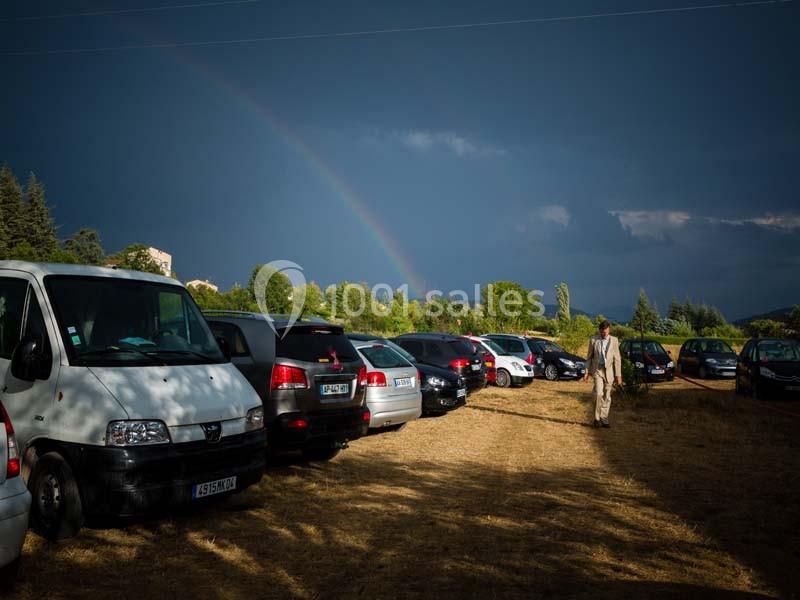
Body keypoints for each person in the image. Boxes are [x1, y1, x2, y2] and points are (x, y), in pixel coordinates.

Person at [583, 320, 622, 428]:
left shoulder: (614, 340)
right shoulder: (594, 340)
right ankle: (596, 419)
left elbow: (617, 359)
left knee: (607, 396)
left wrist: (618, 375)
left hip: (609, 371)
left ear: (609, 330)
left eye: (606, 331)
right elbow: (589, 357)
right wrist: (586, 372)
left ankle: (604, 418)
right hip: (597, 370)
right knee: (598, 394)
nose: (604, 333)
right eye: (602, 332)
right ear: (600, 331)